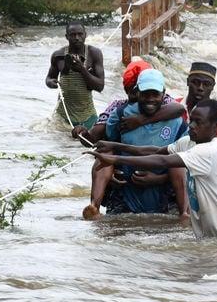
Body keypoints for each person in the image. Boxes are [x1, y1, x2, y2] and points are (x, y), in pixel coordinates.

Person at [90, 99, 217, 240]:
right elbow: (156, 151)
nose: (191, 126)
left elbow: (162, 161)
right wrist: (115, 146)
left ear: (216, 126)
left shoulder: (209, 151)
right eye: (191, 120)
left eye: (198, 122)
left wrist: (115, 158)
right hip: (211, 240)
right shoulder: (189, 142)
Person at [81, 69, 189, 220]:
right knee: (105, 154)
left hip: (163, 187)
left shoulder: (177, 122)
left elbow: (190, 160)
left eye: (155, 94)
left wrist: (160, 178)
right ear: (137, 92)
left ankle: (184, 213)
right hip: (127, 185)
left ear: (163, 93)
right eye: (145, 94)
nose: (150, 99)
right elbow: (109, 144)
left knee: (179, 159)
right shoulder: (120, 114)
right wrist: (111, 172)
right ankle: (94, 207)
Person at [45, 23, 104, 130]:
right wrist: (52, 83)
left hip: (88, 116)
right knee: (64, 145)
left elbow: (100, 86)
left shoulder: (94, 53)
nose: (77, 38)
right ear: (66, 37)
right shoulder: (58, 55)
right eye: (72, 35)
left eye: (80, 34)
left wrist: (82, 69)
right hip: (63, 117)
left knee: (88, 143)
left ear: (85, 35)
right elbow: (49, 78)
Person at [184, 61, 217, 150]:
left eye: (206, 84)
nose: (200, 88)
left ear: (212, 86)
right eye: (195, 82)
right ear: (188, 81)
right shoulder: (173, 106)